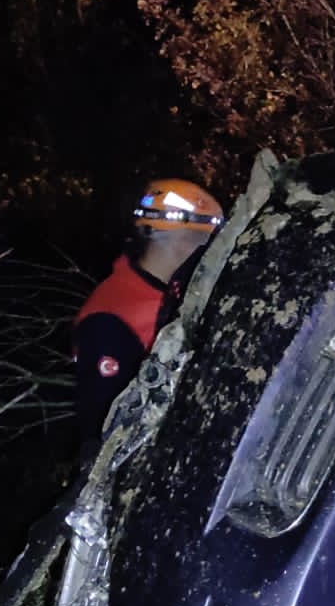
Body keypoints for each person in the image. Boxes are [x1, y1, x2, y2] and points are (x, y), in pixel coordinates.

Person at [73, 178, 224, 440]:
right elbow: (105, 431)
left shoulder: (179, 294)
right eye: (204, 239)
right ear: (180, 238)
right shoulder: (111, 316)